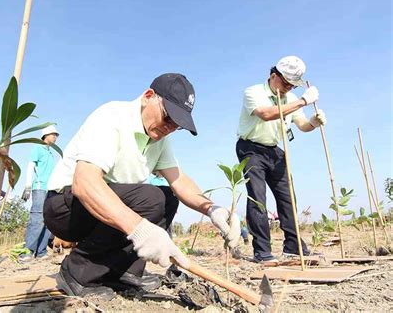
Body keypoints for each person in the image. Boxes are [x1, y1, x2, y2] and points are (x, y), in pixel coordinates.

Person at [44, 73, 240, 299]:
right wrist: (140, 230)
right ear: (148, 96)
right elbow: (84, 183)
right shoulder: (112, 117)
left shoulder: (159, 138)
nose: (170, 128)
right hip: (66, 208)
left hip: (102, 207)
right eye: (168, 118)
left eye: (177, 125)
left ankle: (124, 271)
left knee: (167, 198)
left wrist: (212, 209)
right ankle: (78, 272)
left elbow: (179, 180)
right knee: (151, 199)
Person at [236, 56, 326, 263]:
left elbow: (302, 125)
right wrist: (303, 101)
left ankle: (293, 247)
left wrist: (314, 122)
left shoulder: (292, 100)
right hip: (250, 149)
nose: (287, 88)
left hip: (274, 151)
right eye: (285, 83)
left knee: (288, 199)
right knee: (258, 198)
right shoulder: (253, 92)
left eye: (292, 85)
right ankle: (262, 252)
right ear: (273, 75)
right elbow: (266, 114)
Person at [20, 125, 59, 261]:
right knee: (37, 218)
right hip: (40, 187)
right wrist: (28, 185)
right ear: (46, 135)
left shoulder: (50, 152)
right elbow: (31, 165)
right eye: (53, 134)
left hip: (50, 189)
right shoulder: (38, 148)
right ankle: (27, 251)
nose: (55, 137)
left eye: (56, 135)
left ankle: (41, 252)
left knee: (48, 219)